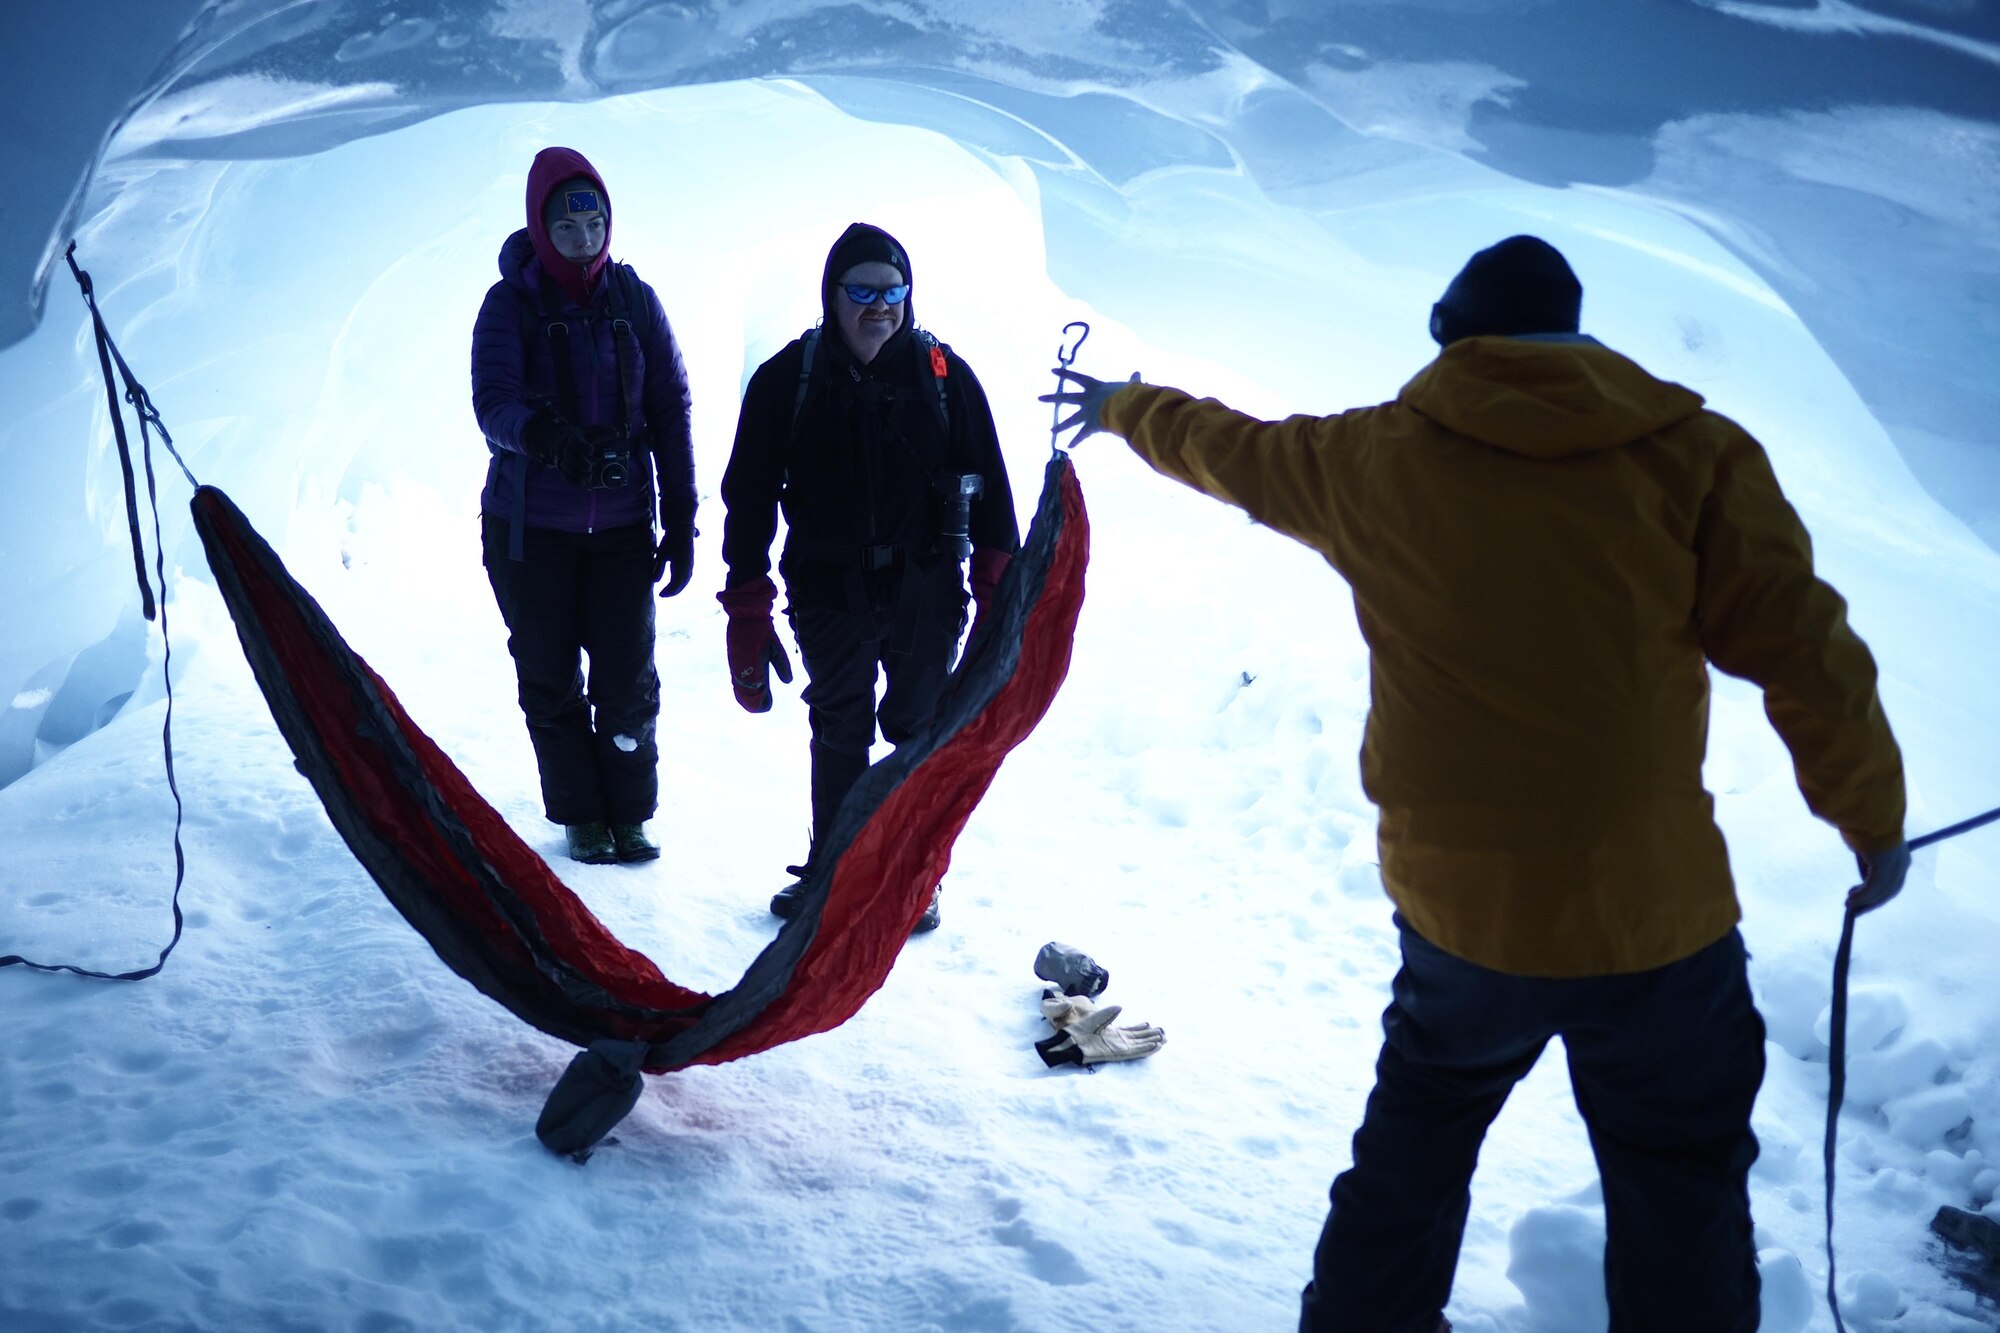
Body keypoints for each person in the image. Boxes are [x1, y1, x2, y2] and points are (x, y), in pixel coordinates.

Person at [1044, 234, 1909, 1333]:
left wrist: (1125, 407)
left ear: (1450, 335)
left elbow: (1232, 449)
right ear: (1577, 335)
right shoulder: (1693, 456)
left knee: (1412, 1152)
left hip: (1462, 914)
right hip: (1651, 921)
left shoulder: (1375, 458)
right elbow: (1804, 648)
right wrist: (1870, 821)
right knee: (1678, 1184)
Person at [717, 222, 1020, 933]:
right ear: (833, 295)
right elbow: (749, 498)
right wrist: (746, 601)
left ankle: (913, 875)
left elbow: (995, 494)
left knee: (917, 727)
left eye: (893, 291)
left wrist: (997, 591)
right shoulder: (787, 381)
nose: (880, 306)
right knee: (840, 723)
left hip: (925, 589)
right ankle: (835, 871)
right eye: (863, 291)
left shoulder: (945, 378)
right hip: (827, 587)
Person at [471, 146, 696, 866]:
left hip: (625, 526)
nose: (582, 238)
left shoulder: (636, 302)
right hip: (529, 531)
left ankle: (627, 815)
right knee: (551, 675)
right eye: (565, 226)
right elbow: (492, 402)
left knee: (628, 680)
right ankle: (579, 815)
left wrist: (683, 513)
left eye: (593, 221)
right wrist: (548, 439)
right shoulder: (510, 304)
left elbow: (670, 406)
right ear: (540, 229)